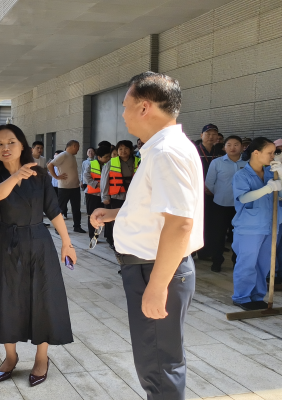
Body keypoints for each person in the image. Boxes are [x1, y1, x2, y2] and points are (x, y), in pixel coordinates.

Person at [91, 72, 203, 400]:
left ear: (144, 107)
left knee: (158, 366)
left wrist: (157, 286)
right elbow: (162, 209)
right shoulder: (160, 149)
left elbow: (180, 223)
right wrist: (116, 213)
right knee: (158, 361)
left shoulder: (167, 152)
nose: (123, 113)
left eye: (125, 106)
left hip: (155, 270)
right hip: (149, 267)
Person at [0, 124, 76, 387]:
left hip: (38, 241)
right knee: (6, 297)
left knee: (43, 297)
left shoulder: (40, 175)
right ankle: (10, 356)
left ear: (22, 144)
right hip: (4, 242)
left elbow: (53, 210)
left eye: (11, 142)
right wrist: (15, 176)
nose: (5, 148)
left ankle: (41, 357)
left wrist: (67, 243)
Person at [231, 137, 282, 311]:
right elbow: (244, 198)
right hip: (249, 227)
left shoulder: (272, 173)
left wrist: (281, 174)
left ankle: (257, 296)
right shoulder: (241, 175)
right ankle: (242, 296)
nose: (273, 156)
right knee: (247, 263)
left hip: (270, 226)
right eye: (270, 153)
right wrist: (268, 188)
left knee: (263, 264)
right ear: (256, 153)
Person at [204, 135, 246, 272]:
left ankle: (236, 262)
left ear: (242, 147)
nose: (232, 148)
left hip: (241, 206)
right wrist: (220, 194)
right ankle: (217, 261)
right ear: (224, 147)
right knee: (219, 235)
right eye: (229, 145)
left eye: (236, 144)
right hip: (220, 205)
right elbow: (209, 184)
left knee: (238, 236)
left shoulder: (247, 163)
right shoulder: (217, 162)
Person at [100, 140, 140, 250]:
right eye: (120, 149)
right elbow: (104, 180)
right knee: (116, 220)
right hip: (117, 196)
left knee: (132, 219)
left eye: (126, 148)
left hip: (134, 197)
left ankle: (129, 241)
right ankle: (115, 241)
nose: (123, 151)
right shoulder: (111, 163)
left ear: (131, 150)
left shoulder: (139, 161)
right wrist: (105, 196)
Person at [196, 124, 224, 261]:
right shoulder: (194, 151)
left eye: (214, 134)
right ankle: (192, 252)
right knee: (197, 221)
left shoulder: (220, 152)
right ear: (201, 135)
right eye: (208, 134)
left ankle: (207, 251)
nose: (211, 137)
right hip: (197, 192)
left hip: (215, 192)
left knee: (211, 222)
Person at [47, 140, 86, 233]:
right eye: (78, 147)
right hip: (64, 187)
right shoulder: (63, 155)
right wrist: (56, 177)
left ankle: (77, 226)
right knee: (61, 208)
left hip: (75, 187)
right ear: (74, 146)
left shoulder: (72, 156)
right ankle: (58, 228)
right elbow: (50, 165)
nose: (78, 149)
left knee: (76, 208)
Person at [82, 146, 111, 240]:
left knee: (105, 215)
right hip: (92, 194)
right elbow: (86, 176)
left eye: (109, 156)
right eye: (106, 157)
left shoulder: (110, 165)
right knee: (92, 215)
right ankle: (93, 236)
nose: (108, 158)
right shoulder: (91, 164)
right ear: (99, 157)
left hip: (105, 194)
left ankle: (107, 235)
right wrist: (96, 184)